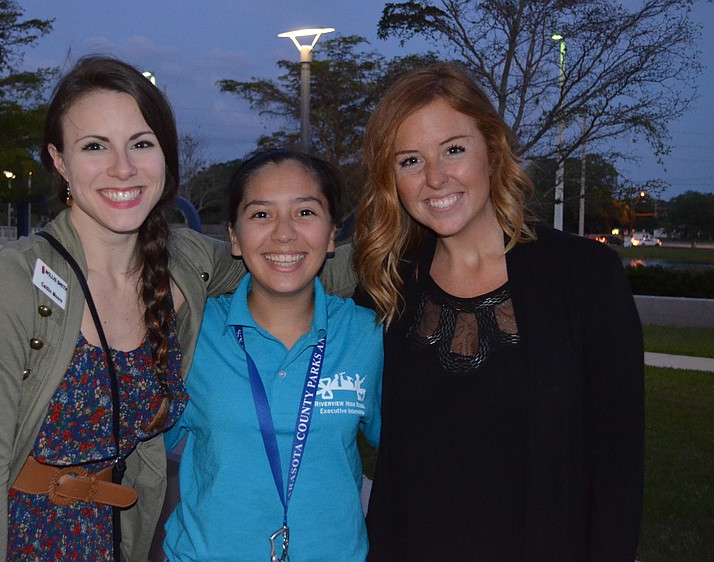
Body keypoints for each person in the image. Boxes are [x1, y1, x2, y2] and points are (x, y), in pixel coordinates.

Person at [0, 55, 248, 562]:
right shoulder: (15, 279)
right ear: (60, 161)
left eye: (141, 143)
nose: (123, 168)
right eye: (94, 146)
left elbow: (294, 260)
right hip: (1, 530)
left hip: (106, 535)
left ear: (165, 155)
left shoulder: (187, 260)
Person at [353, 63, 644, 561]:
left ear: (492, 147)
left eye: (454, 149)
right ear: (391, 178)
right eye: (409, 160)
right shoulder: (386, 289)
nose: (435, 177)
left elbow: (618, 464)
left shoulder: (585, 277)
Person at [162, 149, 383, 562]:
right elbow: (140, 447)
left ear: (333, 234)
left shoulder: (366, 335)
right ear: (233, 236)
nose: (284, 234)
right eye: (261, 214)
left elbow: (411, 450)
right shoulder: (194, 332)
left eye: (305, 212)